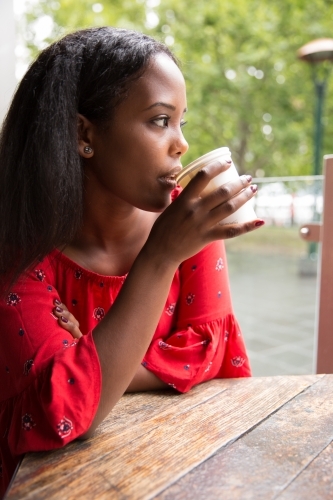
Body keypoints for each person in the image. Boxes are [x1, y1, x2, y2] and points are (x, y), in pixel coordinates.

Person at [0, 26, 264, 497]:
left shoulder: (189, 221)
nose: (181, 143)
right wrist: (160, 258)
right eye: (160, 120)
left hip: (192, 466)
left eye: (182, 121)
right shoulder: (22, 250)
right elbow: (62, 411)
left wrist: (96, 355)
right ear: (85, 133)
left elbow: (209, 352)